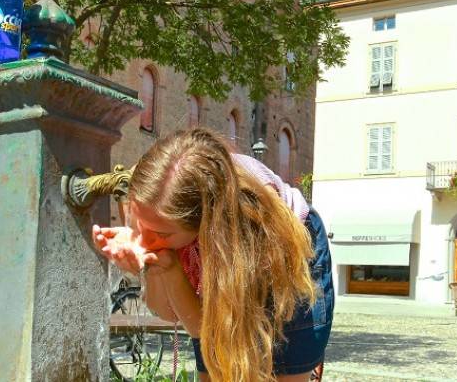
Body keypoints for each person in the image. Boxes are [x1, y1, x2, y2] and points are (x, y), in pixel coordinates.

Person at [93, 128, 334, 382]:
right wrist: (159, 264)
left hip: (289, 249)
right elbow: (169, 313)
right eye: (140, 226)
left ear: (202, 223)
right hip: (218, 238)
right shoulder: (153, 199)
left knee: (282, 367)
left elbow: (227, 336)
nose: (144, 240)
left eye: (159, 234)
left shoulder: (243, 230)